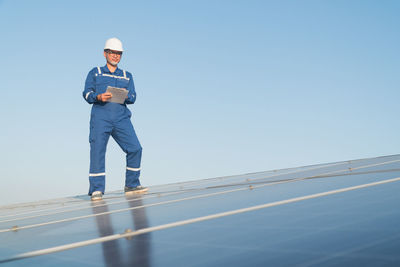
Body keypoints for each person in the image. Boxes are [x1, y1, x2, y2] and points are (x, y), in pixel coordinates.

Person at [83, 37, 147, 201]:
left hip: (121, 119)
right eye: (112, 53)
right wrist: (98, 96)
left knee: (135, 148)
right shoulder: (95, 72)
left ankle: (132, 185)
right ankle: (97, 189)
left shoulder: (127, 76)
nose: (115, 56)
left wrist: (124, 96)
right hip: (100, 117)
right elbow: (86, 93)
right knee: (97, 151)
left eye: (119, 53)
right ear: (105, 53)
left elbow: (133, 96)